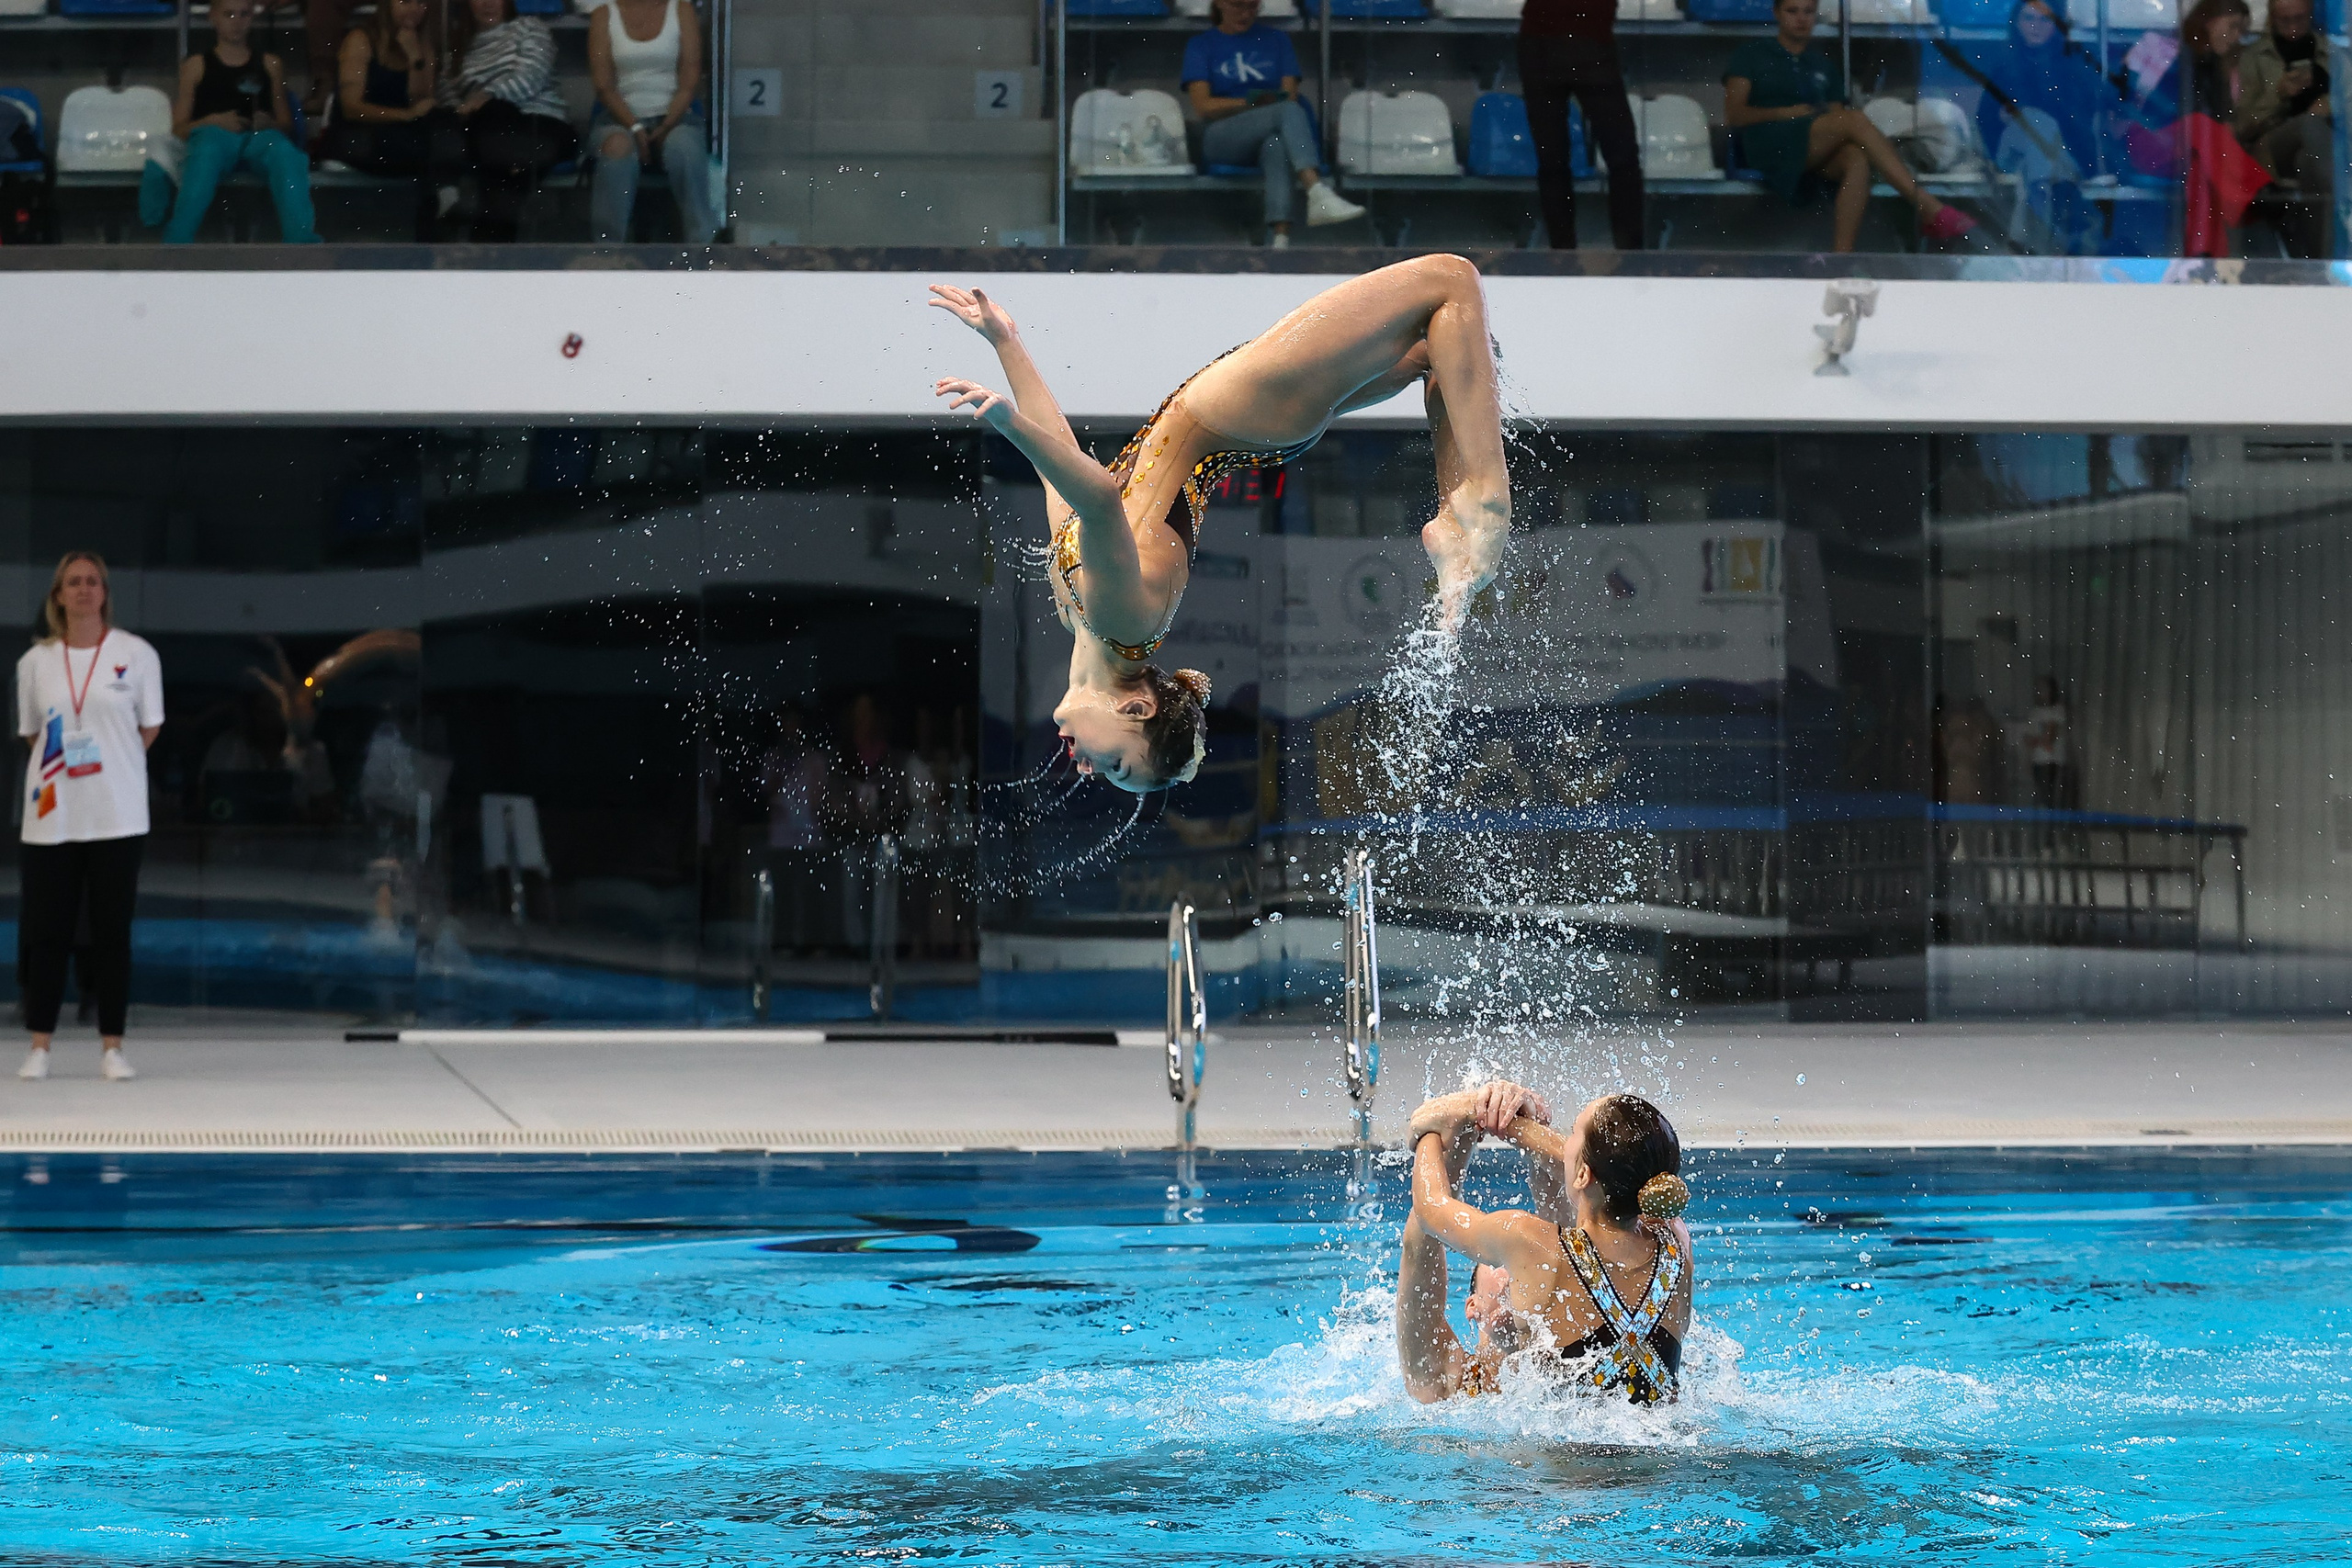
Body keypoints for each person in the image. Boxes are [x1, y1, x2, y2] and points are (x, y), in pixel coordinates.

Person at [927, 254, 1510, 791]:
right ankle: (1482, 500)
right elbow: (1100, 497)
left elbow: (1061, 483)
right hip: (1235, 412)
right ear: (1138, 711)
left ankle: (1455, 503)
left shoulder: (1081, 618)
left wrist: (1006, 343)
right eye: (1115, 764)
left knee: (1448, 350)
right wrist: (1009, 426)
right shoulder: (1124, 620)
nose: (1085, 766)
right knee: (1451, 282)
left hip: (1243, 423)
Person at [1396, 1082, 1695, 1405]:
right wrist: (1513, 1124)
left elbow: (1430, 1209)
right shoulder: (1675, 1243)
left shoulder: (1532, 1244)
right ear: (1473, 1306)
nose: (1512, 1276)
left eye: (1572, 1136)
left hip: (1566, 1454)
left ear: (1583, 1174)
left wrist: (1433, 1125)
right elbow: (1618, 1174)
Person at [15, 554, 164, 1084]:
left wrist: (109, 765)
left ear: (105, 593)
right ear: (57, 596)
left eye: (92, 582)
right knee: (47, 932)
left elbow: (147, 729)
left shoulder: (136, 655)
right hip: (52, 817)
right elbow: (34, 734)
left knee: (111, 933)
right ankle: (40, 1046)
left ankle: (112, 1046)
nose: (83, 590)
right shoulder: (35, 663)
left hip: (117, 815)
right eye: (72, 583)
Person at [1724, 0, 1976, 253]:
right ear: (1777, 13)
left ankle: (1841, 258)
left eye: (1808, 12)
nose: (1801, 19)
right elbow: (1735, 115)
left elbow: (1837, 120)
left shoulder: (1821, 65)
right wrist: (1786, 113)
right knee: (1853, 119)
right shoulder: (1751, 55)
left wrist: (1867, 142)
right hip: (1766, 144)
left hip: (1809, 146)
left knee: (1856, 159)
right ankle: (1929, 208)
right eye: (1792, 11)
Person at [1182, 0, 1363, 247]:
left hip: (1270, 125)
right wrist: (1251, 102)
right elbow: (1204, 106)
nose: (1246, 14)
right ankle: (1316, 189)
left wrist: (1264, 104)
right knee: (1287, 111)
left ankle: (1280, 239)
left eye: (1252, 7)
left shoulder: (1277, 41)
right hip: (1221, 136)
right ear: (1220, 3)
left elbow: (1288, 93)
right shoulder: (1201, 45)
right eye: (1238, 6)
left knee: (1276, 144)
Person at [162, 0, 321, 245]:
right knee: (205, 152)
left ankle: (301, 241)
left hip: (260, 138)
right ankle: (177, 242)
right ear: (213, 17)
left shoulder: (271, 64)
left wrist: (270, 123)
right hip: (214, 138)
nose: (237, 22)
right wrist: (210, 121)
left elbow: (286, 124)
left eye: (244, 15)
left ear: (252, 18)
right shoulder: (195, 67)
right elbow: (179, 129)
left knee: (285, 154)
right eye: (229, 15)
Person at [317, 0, 469, 242]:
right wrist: (405, 115)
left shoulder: (422, 44)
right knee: (431, 157)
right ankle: (442, 211)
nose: (414, 9)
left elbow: (421, 101)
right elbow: (351, 107)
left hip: (401, 135)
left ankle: (442, 206)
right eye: (405, 1)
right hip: (357, 134)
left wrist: (414, 59)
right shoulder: (361, 39)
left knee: (442, 122)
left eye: (420, 3)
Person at [1968, 0, 2111, 254]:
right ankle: (2050, 245)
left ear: (2057, 23)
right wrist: (2010, 118)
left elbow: (2081, 125)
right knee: (2034, 121)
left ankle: (2030, 241)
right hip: (2013, 155)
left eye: (2044, 19)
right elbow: (1985, 121)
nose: (2035, 26)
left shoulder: (2075, 64)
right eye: (2028, 18)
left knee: (2038, 130)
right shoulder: (2004, 63)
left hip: (2062, 157)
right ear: (2017, 22)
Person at [443, 0, 580, 243]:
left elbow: (530, 78)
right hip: (492, 136)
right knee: (491, 124)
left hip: (541, 126)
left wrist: (485, 96)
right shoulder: (457, 48)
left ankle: (484, 255)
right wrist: (477, 107)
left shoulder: (530, 28)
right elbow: (450, 102)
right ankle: (495, 253)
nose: (488, 3)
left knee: (494, 118)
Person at [587, 0, 718, 244]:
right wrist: (635, 127)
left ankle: (704, 248)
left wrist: (667, 125)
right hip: (619, 118)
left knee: (685, 148)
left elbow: (690, 78)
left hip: (675, 116)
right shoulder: (603, 15)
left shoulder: (681, 9)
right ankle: (607, 254)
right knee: (617, 147)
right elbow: (604, 87)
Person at [1519, 0, 1643, 250]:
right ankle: (1564, 254)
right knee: (1554, 159)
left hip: (1578, 40)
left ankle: (1628, 254)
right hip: (1552, 41)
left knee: (1621, 157)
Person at [2236, 0, 2334, 257]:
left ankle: (2315, 260)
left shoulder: (2331, 53)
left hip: (2321, 149)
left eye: (2300, 19)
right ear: (2271, 18)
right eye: (2284, 20)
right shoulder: (2253, 57)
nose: (2293, 27)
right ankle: (2324, 260)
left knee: (2311, 156)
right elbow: (2242, 124)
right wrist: (2278, 95)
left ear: (2311, 15)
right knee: (2309, 127)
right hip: (2272, 147)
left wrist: (2332, 106)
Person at [2179, 0, 2272, 253]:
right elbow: (2138, 101)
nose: (2236, 38)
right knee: (2201, 126)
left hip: (2192, 148)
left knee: (2203, 174)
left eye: (2242, 32)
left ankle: (2207, 257)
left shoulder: (2215, 67)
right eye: (2232, 27)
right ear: (2209, 20)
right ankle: (2250, 196)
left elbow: (2224, 122)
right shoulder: (2166, 49)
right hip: (2148, 137)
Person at [2024, 673, 2072, 809]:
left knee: (2054, 798)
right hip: (2038, 761)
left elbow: (2050, 736)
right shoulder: (2035, 712)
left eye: (2044, 689)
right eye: (2039, 689)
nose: (2041, 693)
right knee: (2043, 798)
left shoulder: (2058, 710)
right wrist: (2041, 741)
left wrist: (2040, 740)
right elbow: (2028, 739)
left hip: (2054, 762)